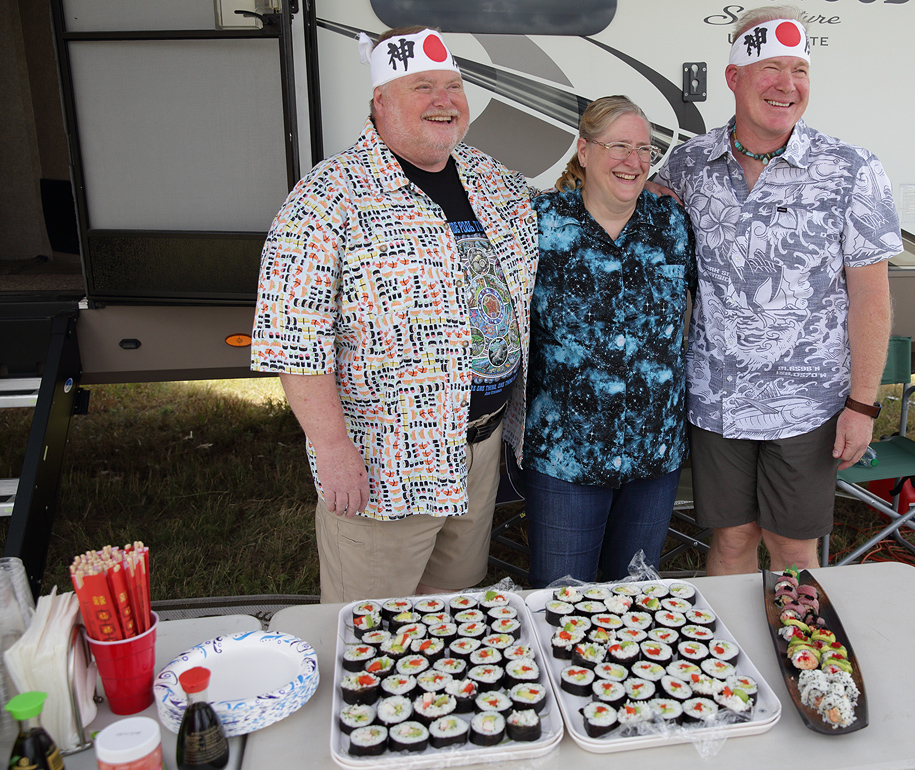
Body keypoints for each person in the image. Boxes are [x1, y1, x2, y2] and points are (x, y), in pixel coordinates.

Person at [251, 26, 537, 602]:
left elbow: (565, 211)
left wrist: (640, 184)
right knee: (369, 622)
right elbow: (291, 341)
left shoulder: (485, 176)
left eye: (454, 86)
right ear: (380, 100)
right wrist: (333, 453)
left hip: (478, 447)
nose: (445, 100)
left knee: (452, 603)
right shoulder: (327, 198)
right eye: (422, 87)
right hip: (388, 458)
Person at [652, 6, 901, 575]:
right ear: (734, 77)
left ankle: (803, 662)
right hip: (718, 400)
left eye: (800, 70)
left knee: (792, 549)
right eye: (769, 68)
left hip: (807, 405)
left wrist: (862, 404)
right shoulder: (689, 164)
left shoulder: (851, 169)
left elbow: (871, 297)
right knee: (733, 540)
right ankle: (729, 662)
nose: (787, 85)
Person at [522, 96, 695, 588]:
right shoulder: (540, 223)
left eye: (644, 149)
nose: (634, 160)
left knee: (636, 598)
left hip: (653, 451)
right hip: (565, 454)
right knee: (561, 600)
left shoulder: (671, 224)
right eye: (618, 145)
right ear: (583, 150)